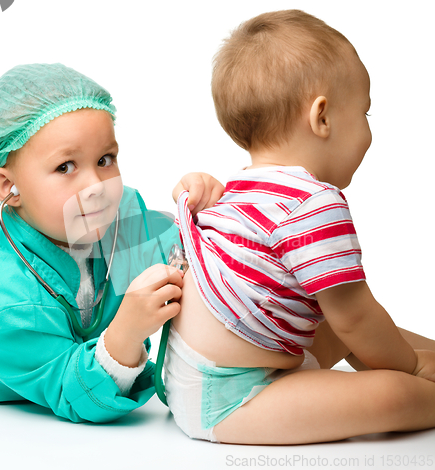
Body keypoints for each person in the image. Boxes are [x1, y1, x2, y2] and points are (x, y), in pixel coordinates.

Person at [164, 10, 435, 444]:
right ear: (322, 118)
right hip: (234, 398)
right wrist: (410, 367)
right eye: (366, 113)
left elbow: (347, 321)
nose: (369, 131)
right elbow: (356, 316)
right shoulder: (311, 204)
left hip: (197, 375)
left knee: (341, 326)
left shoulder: (244, 189)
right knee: (393, 392)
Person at [0, 63, 224, 423]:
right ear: (8, 187)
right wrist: (126, 333)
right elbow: (72, 395)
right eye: (65, 167)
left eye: (105, 160)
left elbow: (191, 255)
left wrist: (207, 211)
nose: (96, 185)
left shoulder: (118, 216)